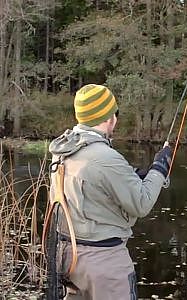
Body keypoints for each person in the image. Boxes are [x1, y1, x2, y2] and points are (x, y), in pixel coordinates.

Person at [48, 84, 172, 300]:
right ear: (109, 118)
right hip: (103, 263)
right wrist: (159, 168)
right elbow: (141, 204)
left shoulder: (64, 149)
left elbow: (92, 184)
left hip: (67, 256)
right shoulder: (106, 157)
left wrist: (135, 175)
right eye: (115, 113)